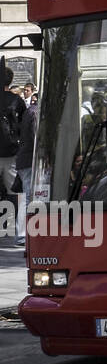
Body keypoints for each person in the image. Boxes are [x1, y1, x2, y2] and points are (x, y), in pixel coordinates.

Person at [0, 68, 26, 203]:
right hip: (12, 152)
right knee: (14, 192)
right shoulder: (17, 100)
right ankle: (16, 221)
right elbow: (24, 126)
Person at [12, 100, 34, 246]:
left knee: (25, 199)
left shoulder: (30, 111)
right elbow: (35, 138)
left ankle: (22, 235)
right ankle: (22, 235)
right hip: (29, 160)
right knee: (27, 199)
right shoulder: (36, 113)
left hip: (24, 159)